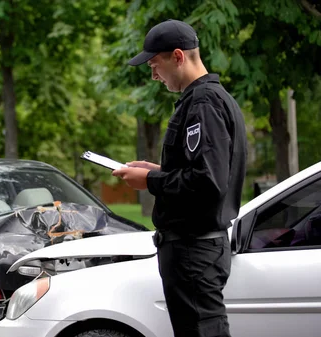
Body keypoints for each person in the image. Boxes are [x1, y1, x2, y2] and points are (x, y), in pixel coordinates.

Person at [113, 19, 247, 337]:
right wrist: (157, 171)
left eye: (154, 64)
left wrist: (150, 181)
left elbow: (208, 182)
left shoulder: (204, 103)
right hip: (194, 250)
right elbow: (204, 172)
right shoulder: (206, 99)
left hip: (194, 249)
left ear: (177, 56)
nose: (153, 74)